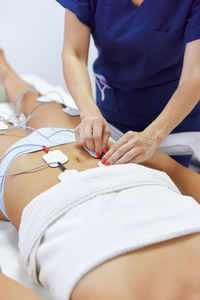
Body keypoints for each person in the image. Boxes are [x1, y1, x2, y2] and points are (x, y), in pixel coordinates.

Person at [1, 49, 200, 300]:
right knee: (37, 102)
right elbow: (179, 173)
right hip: (120, 166)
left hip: (28, 179)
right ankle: (6, 72)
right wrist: (157, 161)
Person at [56, 0, 200, 167]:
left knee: (170, 182)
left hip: (173, 124)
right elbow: (73, 54)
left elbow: (194, 74)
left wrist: (152, 136)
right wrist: (89, 113)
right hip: (112, 117)